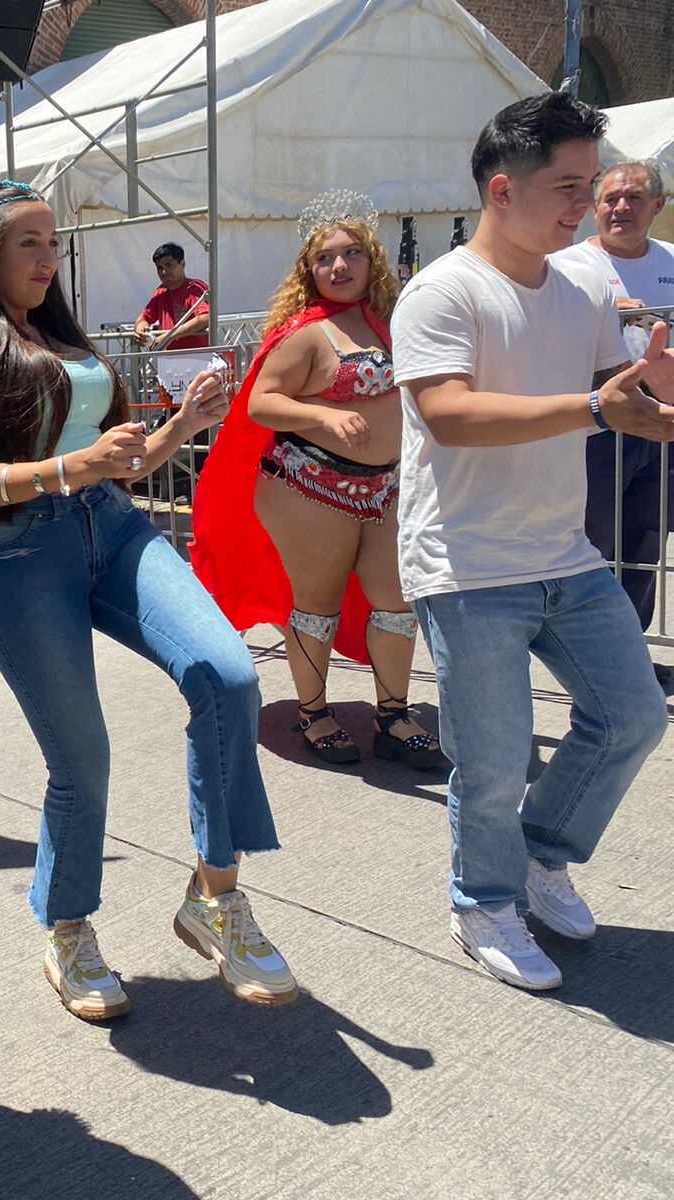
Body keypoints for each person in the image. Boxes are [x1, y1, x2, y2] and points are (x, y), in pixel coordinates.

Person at [0, 180, 298, 1025]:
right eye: (28, 243)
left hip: (113, 525)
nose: (46, 259)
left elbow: (121, 463)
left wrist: (182, 426)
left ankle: (215, 896)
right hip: (25, 551)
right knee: (82, 759)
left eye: (51, 243)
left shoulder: (60, 331)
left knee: (228, 674)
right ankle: (68, 931)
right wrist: (75, 467)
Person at [392, 92, 674, 991]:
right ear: (502, 188)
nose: (584, 204)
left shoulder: (587, 283)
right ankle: (482, 900)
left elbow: (608, 381)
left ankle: (540, 857)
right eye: (568, 185)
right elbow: (451, 415)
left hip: (564, 551)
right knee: (494, 755)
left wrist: (648, 387)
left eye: (591, 185)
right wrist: (597, 406)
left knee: (633, 716)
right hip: (467, 563)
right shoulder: (442, 290)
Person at [192, 191, 444, 771]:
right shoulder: (306, 333)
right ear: (309, 269)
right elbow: (259, 402)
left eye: (352, 253)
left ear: (372, 260)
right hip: (309, 488)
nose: (339, 266)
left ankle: (394, 716)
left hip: (383, 488)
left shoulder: (391, 321)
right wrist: (325, 415)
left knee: (396, 603)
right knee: (318, 605)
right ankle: (314, 713)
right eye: (326, 257)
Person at [553, 160, 674, 689]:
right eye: (611, 199)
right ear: (595, 208)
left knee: (646, 537)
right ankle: (589, 660)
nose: (621, 208)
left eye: (634, 198)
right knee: (594, 540)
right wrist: (603, 308)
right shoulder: (565, 266)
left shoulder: (673, 261)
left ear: (658, 206)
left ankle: (631, 656)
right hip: (596, 419)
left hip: (663, 416)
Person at [133, 241, 210, 351]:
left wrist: (170, 335)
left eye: (169, 265)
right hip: (168, 359)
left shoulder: (195, 287)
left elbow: (205, 318)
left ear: (182, 264)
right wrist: (140, 328)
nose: (164, 272)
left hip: (197, 357)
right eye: (159, 268)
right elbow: (144, 317)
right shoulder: (160, 292)